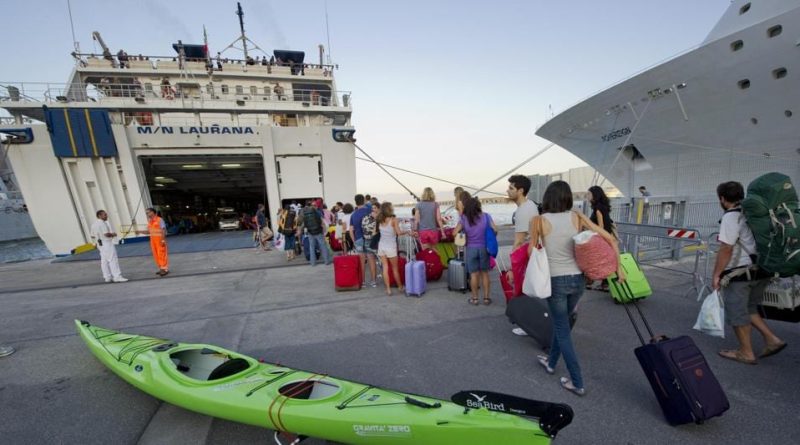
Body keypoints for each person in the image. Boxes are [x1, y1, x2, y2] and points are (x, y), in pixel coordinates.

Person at [531, 181, 623, 396]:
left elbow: (531, 253)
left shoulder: (539, 221)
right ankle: (551, 363)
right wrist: (619, 269)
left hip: (555, 281)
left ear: (547, 198)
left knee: (562, 329)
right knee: (562, 324)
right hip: (578, 280)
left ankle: (577, 381)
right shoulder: (578, 216)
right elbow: (609, 238)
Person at [713, 181, 786, 365]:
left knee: (737, 313)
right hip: (762, 269)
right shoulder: (755, 213)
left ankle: (746, 352)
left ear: (722, 198)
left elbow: (726, 249)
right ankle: (772, 340)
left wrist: (716, 275)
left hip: (740, 274)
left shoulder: (731, 217)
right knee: (749, 308)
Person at [507, 174, 539, 335]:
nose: (508, 191)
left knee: (523, 290)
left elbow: (518, 241)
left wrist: (511, 268)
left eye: (511, 188)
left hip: (525, 255)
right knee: (530, 290)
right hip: (534, 252)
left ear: (520, 190)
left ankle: (527, 325)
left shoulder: (522, 211)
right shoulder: (531, 205)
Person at [452, 197, 497, 305]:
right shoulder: (486, 216)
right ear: (478, 206)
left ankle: (475, 299)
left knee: (474, 275)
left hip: (471, 249)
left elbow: (454, 233)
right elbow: (495, 230)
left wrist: (463, 234)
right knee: (485, 273)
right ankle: (486, 298)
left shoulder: (464, 218)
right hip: (484, 248)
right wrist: (490, 236)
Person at [376, 202, 412, 295]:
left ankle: (388, 289)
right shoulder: (393, 220)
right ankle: (400, 287)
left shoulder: (380, 219)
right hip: (391, 247)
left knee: (385, 268)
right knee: (395, 269)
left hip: (381, 246)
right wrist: (408, 231)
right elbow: (399, 233)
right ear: (390, 209)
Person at [587, 185, 615, 291]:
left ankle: (590, 282)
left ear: (594, 195)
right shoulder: (603, 206)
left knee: (592, 259)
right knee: (605, 261)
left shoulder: (597, 209)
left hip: (601, 238)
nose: (587, 196)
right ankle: (605, 284)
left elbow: (601, 227)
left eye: (589, 194)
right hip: (607, 237)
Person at [91, 210, 128, 283]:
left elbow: (92, 235)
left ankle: (107, 277)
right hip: (106, 243)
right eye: (105, 215)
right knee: (112, 259)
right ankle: (117, 276)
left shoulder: (94, 224)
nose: (106, 216)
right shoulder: (102, 223)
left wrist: (94, 243)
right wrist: (113, 234)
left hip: (100, 244)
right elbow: (106, 234)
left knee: (104, 261)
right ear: (99, 216)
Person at [350, 194, 378, 286]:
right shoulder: (370, 210)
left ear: (355, 202)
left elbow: (351, 230)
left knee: (361, 260)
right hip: (370, 238)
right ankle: (373, 281)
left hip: (358, 239)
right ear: (364, 201)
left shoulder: (353, 215)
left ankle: (363, 282)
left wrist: (354, 241)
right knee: (371, 258)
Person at [137, 208, 169, 276]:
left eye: (148, 212)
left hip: (160, 240)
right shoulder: (150, 222)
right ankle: (161, 268)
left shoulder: (159, 220)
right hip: (153, 241)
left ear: (153, 212)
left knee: (162, 254)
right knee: (156, 255)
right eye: (146, 213)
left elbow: (163, 230)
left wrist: (163, 240)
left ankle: (164, 269)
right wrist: (140, 232)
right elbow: (149, 232)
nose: (147, 214)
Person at [298, 200, 331, 266]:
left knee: (311, 247)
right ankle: (326, 261)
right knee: (323, 246)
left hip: (310, 232)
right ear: (314, 206)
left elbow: (303, 223)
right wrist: (324, 230)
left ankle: (313, 263)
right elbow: (322, 222)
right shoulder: (317, 212)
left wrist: (300, 231)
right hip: (318, 231)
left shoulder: (305, 212)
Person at [361, 203, 380, 288]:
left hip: (367, 241)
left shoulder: (365, 218)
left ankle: (373, 281)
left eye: (375, 208)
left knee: (371, 261)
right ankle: (374, 281)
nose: (374, 210)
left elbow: (363, 229)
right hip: (377, 241)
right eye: (373, 208)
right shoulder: (380, 218)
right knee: (380, 262)